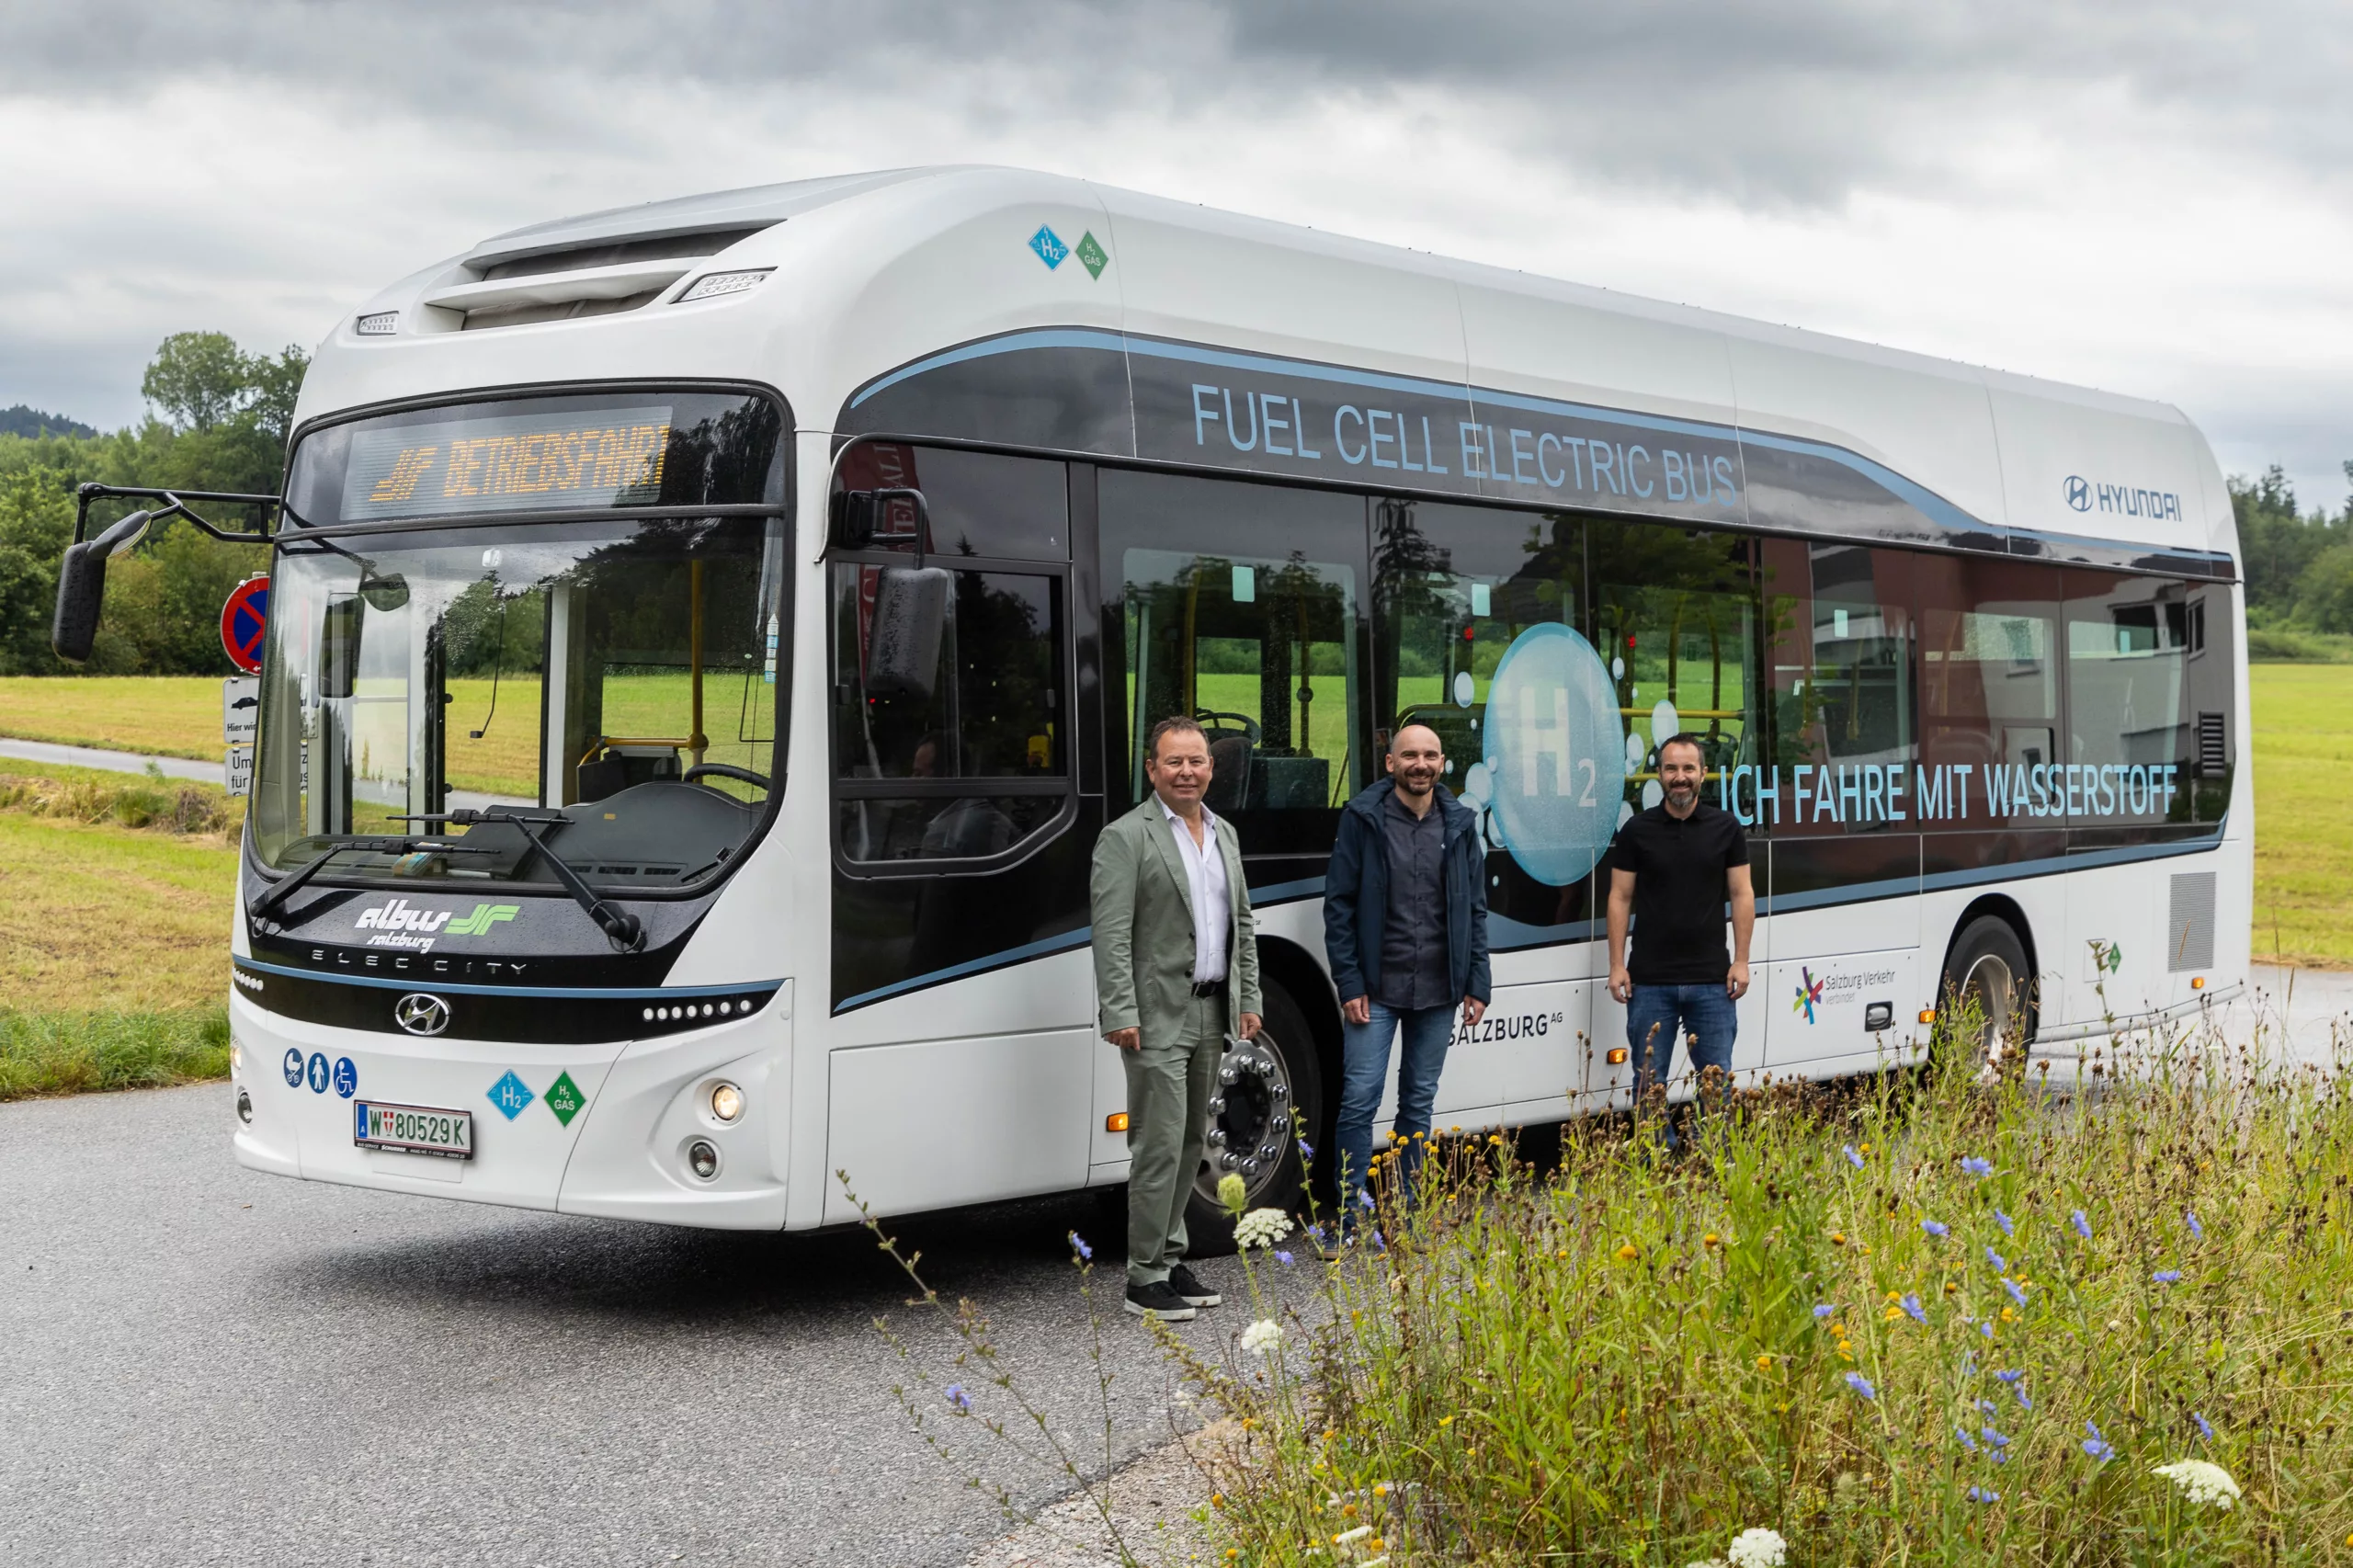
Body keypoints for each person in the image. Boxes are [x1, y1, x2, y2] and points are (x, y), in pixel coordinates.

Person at [1091, 715, 1264, 1322]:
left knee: (1193, 1143)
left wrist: (1249, 1000)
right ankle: (1144, 1276)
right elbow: (1111, 935)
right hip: (1155, 1017)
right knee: (1158, 1146)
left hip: (1210, 1008)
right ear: (1152, 769)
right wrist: (1120, 1010)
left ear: (1212, 769)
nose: (1186, 771)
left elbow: (1240, 924)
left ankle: (1169, 1257)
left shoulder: (1225, 835)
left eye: (1197, 761)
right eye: (1174, 762)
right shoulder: (1125, 838)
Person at [1323, 722, 1490, 1233]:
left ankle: (1406, 1212)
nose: (1422, 764)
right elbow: (1339, 907)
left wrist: (1477, 981)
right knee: (1359, 1102)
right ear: (1391, 763)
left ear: (1443, 764)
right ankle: (1350, 1216)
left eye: (1431, 755)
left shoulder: (1460, 823)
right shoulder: (1363, 818)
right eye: (1410, 755)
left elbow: (1476, 909)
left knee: (1418, 1102)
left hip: (1440, 988)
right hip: (1376, 990)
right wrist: (1349, 983)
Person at [1606, 732, 1755, 1137]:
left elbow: (1742, 895)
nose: (1680, 776)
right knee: (1648, 1089)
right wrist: (1616, 965)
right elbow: (1620, 897)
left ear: (1703, 774)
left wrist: (1741, 961)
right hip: (1650, 982)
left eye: (1689, 768)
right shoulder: (1637, 831)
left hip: (1712, 982)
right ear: (1659, 774)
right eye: (1671, 768)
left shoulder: (1726, 829)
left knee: (1716, 1087)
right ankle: (1658, 1164)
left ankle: (1715, 1165)